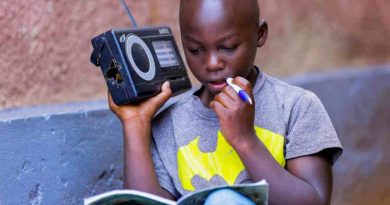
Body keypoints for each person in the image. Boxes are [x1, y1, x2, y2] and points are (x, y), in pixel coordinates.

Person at [108, 0, 343, 204]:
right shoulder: (169, 124)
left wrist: (244, 140)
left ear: (260, 34)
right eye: (195, 49)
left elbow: (314, 200)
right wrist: (136, 124)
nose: (211, 63)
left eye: (227, 47)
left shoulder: (297, 107)